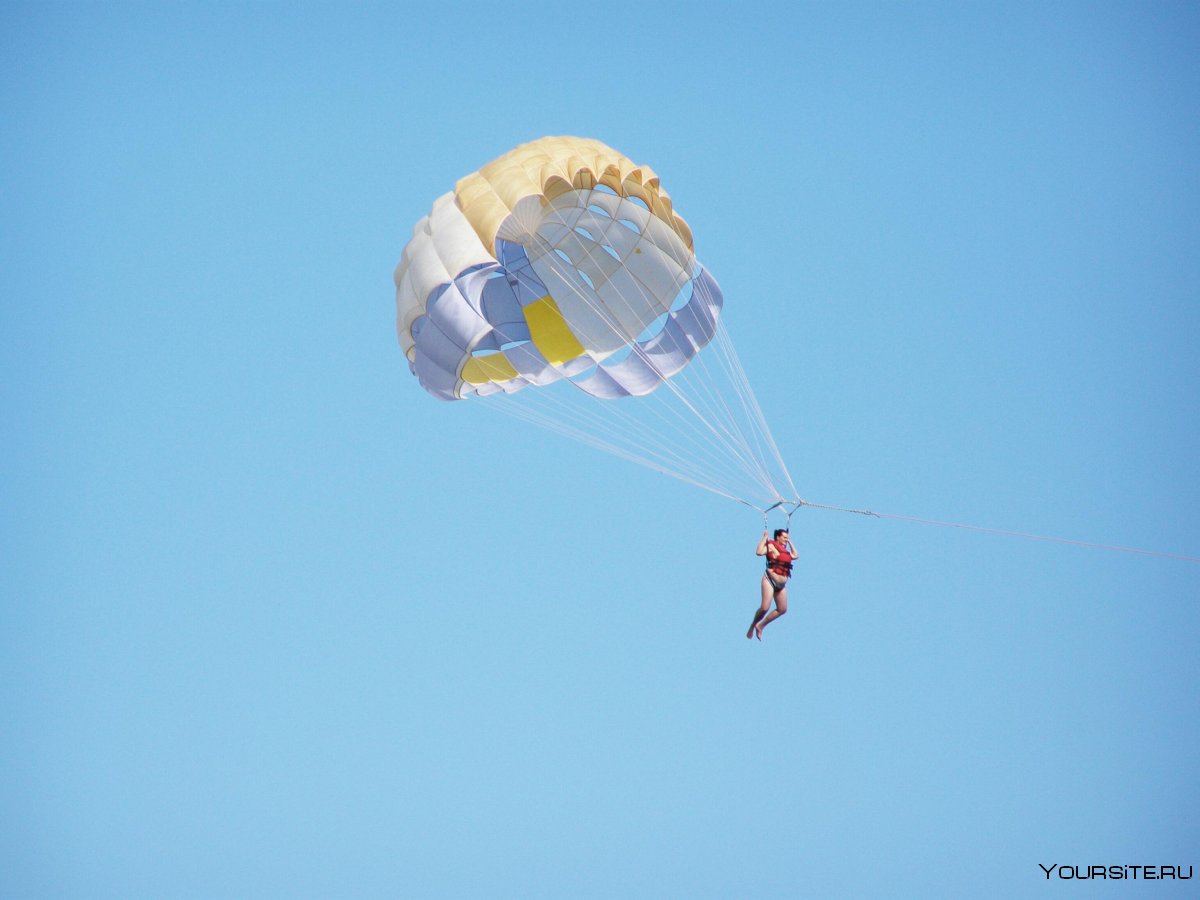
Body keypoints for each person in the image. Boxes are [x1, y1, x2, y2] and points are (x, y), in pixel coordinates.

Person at [746, 527, 795, 640]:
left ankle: (761, 626)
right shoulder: (770, 546)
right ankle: (752, 626)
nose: (786, 540)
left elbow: (796, 555)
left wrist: (790, 541)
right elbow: (758, 552)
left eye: (787, 538)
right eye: (784, 537)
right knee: (764, 608)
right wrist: (764, 538)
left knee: (782, 609)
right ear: (778, 537)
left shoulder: (786, 552)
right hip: (770, 579)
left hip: (781, 585)